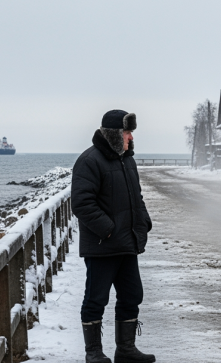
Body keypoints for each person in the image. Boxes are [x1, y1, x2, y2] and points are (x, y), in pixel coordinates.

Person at [73, 110, 155, 363]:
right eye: (127, 132)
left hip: (127, 243)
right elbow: (82, 203)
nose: (131, 137)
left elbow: (136, 198)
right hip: (102, 245)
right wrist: (108, 229)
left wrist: (143, 222)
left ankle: (126, 349)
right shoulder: (89, 160)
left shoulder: (127, 160)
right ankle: (94, 353)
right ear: (114, 135)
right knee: (96, 299)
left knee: (132, 295)